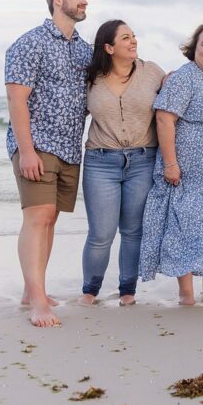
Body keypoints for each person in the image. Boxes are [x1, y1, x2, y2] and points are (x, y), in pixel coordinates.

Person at [4, 0, 92, 327]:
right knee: (37, 216)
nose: (84, 1)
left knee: (51, 217)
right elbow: (16, 98)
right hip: (38, 144)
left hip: (70, 146)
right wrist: (26, 151)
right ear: (58, 1)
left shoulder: (82, 49)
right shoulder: (30, 43)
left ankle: (32, 288)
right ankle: (38, 300)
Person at [138, 23, 203, 305]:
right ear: (194, 50)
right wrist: (170, 163)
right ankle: (186, 292)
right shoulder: (184, 78)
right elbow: (164, 118)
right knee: (185, 225)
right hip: (188, 167)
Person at [78, 20, 165, 307]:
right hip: (100, 161)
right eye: (126, 38)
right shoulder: (90, 78)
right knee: (101, 233)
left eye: (134, 36)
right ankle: (90, 290)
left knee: (132, 230)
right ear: (109, 47)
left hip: (143, 160)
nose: (133, 41)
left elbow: (174, 102)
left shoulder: (151, 72)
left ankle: (128, 290)